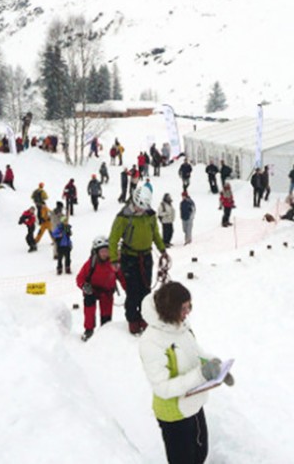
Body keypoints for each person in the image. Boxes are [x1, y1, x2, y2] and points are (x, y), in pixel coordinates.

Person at [139, 282, 233, 464]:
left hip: (193, 403)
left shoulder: (181, 326)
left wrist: (218, 367)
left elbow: (198, 354)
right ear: (170, 310)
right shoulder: (151, 342)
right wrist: (201, 375)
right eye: (184, 308)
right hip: (173, 412)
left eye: (190, 306)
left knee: (200, 454)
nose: (188, 312)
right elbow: (162, 388)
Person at [108, 184, 169, 335]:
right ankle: (132, 320)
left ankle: (145, 318)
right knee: (133, 292)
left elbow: (155, 233)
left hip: (146, 257)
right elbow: (113, 239)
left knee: (146, 291)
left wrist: (162, 250)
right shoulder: (123, 217)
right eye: (138, 207)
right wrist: (114, 259)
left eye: (143, 207)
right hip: (129, 258)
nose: (141, 210)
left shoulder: (150, 215)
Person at [76, 236, 127, 341]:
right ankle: (89, 329)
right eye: (102, 251)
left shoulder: (114, 263)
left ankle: (105, 331)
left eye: (107, 251)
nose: (105, 254)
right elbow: (80, 278)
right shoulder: (91, 263)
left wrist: (128, 289)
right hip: (92, 290)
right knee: (89, 307)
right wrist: (84, 286)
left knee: (106, 314)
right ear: (96, 252)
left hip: (107, 292)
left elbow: (121, 277)